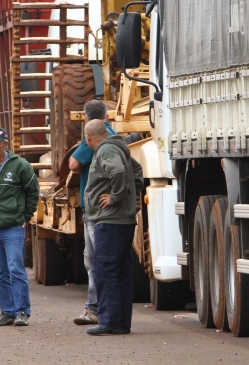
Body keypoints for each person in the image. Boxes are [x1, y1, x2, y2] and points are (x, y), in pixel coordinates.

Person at [82, 119, 143, 336]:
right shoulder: (119, 147)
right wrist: (130, 192)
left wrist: (116, 197)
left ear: (88, 138)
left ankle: (108, 321)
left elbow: (117, 172)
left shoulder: (106, 150)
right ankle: (120, 322)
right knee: (121, 272)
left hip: (110, 220)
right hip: (121, 221)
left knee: (105, 271)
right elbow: (136, 170)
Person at [0, 126, 40, 327]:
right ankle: (7, 312)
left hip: (13, 226)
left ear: (6, 144)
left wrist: (25, 216)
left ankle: (22, 311)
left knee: (16, 269)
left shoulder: (20, 165)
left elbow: (33, 191)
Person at [69, 100, 117, 326]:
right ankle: (103, 309)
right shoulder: (114, 135)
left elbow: (73, 164)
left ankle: (97, 310)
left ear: (87, 120)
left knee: (97, 261)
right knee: (99, 260)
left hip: (96, 209)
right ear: (106, 115)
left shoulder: (95, 136)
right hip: (104, 208)